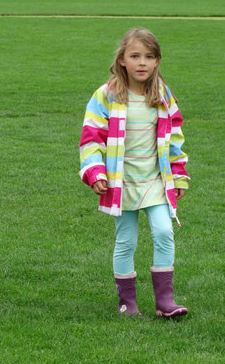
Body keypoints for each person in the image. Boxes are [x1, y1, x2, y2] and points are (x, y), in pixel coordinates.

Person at [79, 28, 189, 318]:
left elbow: (175, 139)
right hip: (121, 183)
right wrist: (95, 172)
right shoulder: (107, 95)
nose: (142, 62)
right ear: (122, 60)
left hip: (155, 181)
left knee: (164, 232)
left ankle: (165, 301)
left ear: (157, 62)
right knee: (126, 240)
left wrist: (178, 176)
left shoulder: (163, 95)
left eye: (149, 56)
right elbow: (91, 138)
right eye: (135, 56)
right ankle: (127, 303)